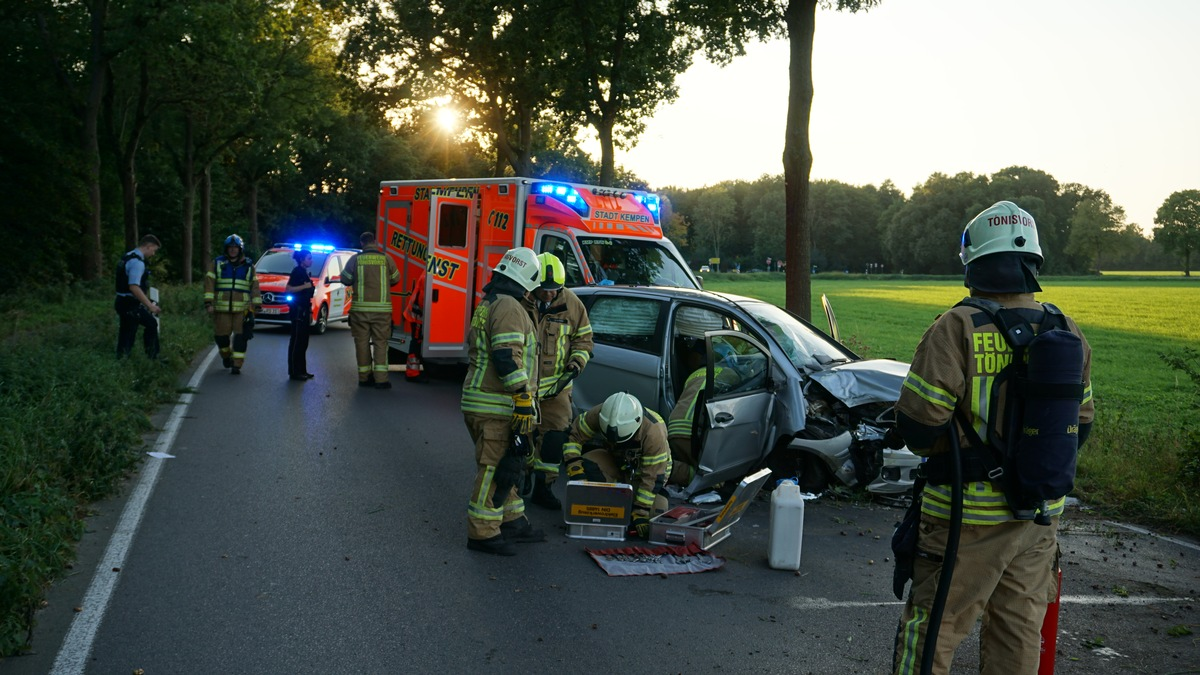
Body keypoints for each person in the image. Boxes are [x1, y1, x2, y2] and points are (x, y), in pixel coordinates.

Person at [891, 201, 1094, 674]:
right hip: (1038, 517)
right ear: (1033, 263)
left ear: (974, 260)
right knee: (1017, 637)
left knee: (932, 629)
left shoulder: (956, 326)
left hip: (967, 518)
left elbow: (920, 429)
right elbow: (1080, 426)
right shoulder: (1067, 330)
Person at [462, 247, 546, 556]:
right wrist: (523, 395)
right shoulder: (510, 306)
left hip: (484, 399)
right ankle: (482, 532)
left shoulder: (493, 300)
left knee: (510, 462)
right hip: (496, 402)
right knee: (493, 466)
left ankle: (511, 520)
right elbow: (506, 356)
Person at [523, 252, 593, 510]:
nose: (549, 295)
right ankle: (522, 479)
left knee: (554, 442)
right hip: (524, 390)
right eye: (544, 289)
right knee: (521, 439)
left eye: (555, 290)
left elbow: (584, 340)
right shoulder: (521, 303)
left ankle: (544, 487)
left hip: (557, 390)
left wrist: (576, 365)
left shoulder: (572, 305)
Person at [562, 392, 672, 539]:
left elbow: (652, 476)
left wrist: (641, 513)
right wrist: (575, 469)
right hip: (616, 465)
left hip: (643, 478)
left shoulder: (653, 433)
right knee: (588, 465)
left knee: (658, 510)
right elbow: (573, 436)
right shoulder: (600, 414)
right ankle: (614, 502)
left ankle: (623, 503)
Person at [341, 232, 400, 389]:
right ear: (375, 241)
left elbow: (344, 279)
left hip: (360, 311)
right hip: (382, 311)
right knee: (381, 343)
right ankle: (381, 380)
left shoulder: (355, 259)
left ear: (362, 243)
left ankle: (364, 378)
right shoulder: (386, 259)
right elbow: (396, 278)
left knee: (361, 343)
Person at [204, 234, 261, 375]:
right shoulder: (217, 263)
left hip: (242, 310)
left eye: (236, 247)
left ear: (240, 249)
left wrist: (256, 304)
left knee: (241, 337)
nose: (233, 250)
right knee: (221, 337)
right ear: (226, 249)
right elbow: (209, 283)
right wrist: (208, 303)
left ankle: (237, 365)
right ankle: (226, 356)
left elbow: (254, 285)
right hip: (221, 308)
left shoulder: (248, 265)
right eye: (230, 247)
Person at [115, 234, 162, 359]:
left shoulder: (128, 256)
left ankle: (149, 357)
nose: (153, 254)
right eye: (154, 250)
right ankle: (150, 358)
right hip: (129, 303)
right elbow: (134, 287)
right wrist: (150, 306)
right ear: (148, 246)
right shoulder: (137, 263)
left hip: (122, 301)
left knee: (136, 329)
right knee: (129, 334)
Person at [286, 249, 316, 381]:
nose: (311, 260)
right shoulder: (297, 271)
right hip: (297, 311)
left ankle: (302, 370)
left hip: (304, 309)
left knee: (303, 342)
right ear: (302, 260)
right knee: (297, 341)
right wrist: (305, 287)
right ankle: (295, 372)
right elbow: (289, 289)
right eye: (309, 258)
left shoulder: (303, 272)